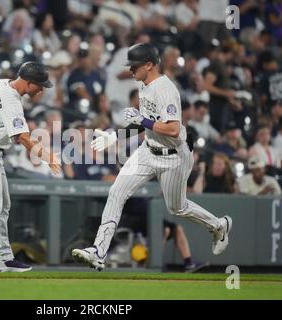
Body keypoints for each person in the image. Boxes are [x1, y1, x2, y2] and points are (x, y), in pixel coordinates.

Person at [72, 44, 232, 271]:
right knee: (116, 192)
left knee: (177, 207)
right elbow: (144, 125)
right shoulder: (144, 85)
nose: (130, 70)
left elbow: (173, 129)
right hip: (148, 150)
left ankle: (218, 225)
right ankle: (98, 251)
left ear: (149, 65)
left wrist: (143, 121)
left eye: (134, 66)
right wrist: (115, 137)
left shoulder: (165, 89)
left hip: (174, 156)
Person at [0, 61, 60, 272]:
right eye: (40, 85)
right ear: (29, 82)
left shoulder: (0, 83)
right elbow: (23, 137)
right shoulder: (11, 101)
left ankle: (4, 257)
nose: (42, 89)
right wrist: (47, 156)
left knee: (2, 206)